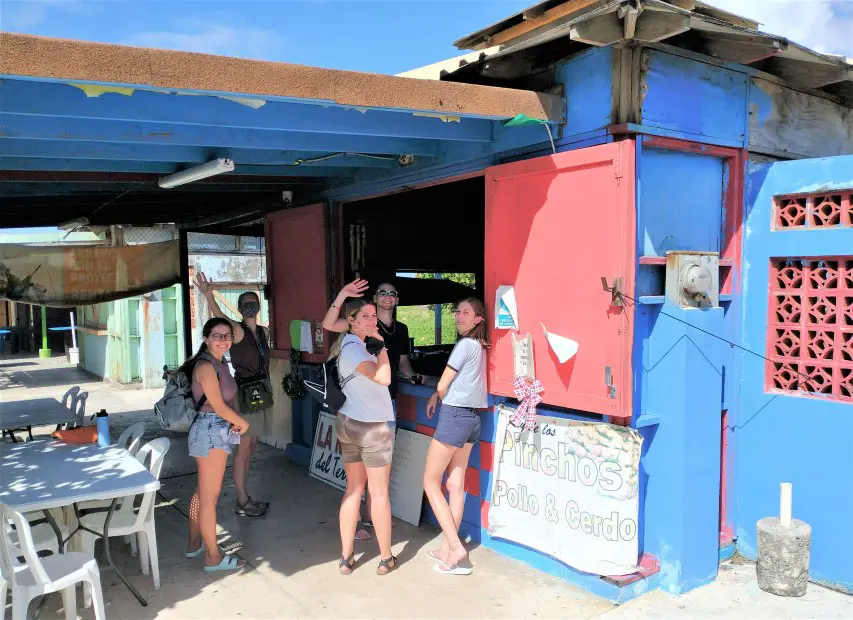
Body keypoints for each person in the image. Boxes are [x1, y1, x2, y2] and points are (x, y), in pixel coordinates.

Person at [323, 279, 420, 540]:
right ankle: (362, 526)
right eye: (382, 293)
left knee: (373, 478)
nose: (387, 297)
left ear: (397, 300)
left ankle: (372, 519)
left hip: (385, 402)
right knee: (363, 480)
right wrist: (343, 294)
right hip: (362, 405)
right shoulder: (360, 326)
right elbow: (329, 324)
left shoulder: (399, 328)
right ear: (375, 298)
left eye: (392, 293)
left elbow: (402, 362)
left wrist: (413, 378)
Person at [329, 298, 397, 575]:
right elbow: (384, 379)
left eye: (373, 315)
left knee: (354, 490)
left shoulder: (350, 345)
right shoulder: (356, 349)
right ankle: (386, 558)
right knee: (378, 493)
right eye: (366, 316)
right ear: (352, 321)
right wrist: (382, 348)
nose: (372, 320)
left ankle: (346, 558)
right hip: (371, 427)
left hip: (349, 423)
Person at [194, 272, 270, 518]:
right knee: (244, 449)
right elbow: (220, 317)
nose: (251, 306)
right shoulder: (237, 331)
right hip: (245, 394)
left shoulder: (262, 332)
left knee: (252, 446)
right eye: (246, 303)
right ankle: (241, 499)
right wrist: (208, 296)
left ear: (259, 306)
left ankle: (245, 495)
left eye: (254, 302)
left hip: (260, 392)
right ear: (240, 308)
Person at [422, 298, 489, 575]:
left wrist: (437, 392)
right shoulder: (482, 347)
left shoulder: (464, 346)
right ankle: (448, 549)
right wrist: (437, 395)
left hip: (454, 418)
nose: (459, 316)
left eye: (465, 313)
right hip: (473, 419)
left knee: (430, 482)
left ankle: (454, 544)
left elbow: (442, 384)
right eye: (457, 312)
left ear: (477, 320)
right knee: (455, 484)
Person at [184, 317, 250, 572]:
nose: (224, 340)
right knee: (209, 499)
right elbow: (219, 406)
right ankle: (213, 557)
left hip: (215, 429)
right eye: (217, 336)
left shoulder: (219, 363)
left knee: (202, 493)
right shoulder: (206, 366)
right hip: (211, 431)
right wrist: (242, 423)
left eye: (227, 336)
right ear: (206, 339)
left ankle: (194, 543)